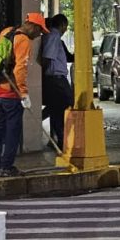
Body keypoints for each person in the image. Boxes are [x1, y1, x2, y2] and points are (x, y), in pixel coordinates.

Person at [0, 12, 49, 178]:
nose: (38, 35)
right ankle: (6, 167)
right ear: (33, 26)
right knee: (12, 132)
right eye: (40, 31)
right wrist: (24, 93)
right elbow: (20, 69)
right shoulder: (24, 40)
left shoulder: (6, 31)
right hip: (11, 94)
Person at [41, 14, 74, 150]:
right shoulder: (53, 37)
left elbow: (66, 57)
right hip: (56, 80)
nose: (66, 29)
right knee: (64, 109)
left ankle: (58, 140)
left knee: (56, 109)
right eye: (65, 26)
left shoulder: (54, 38)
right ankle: (61, 140)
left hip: (55, 79)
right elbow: (47, 58)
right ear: (61, 25)